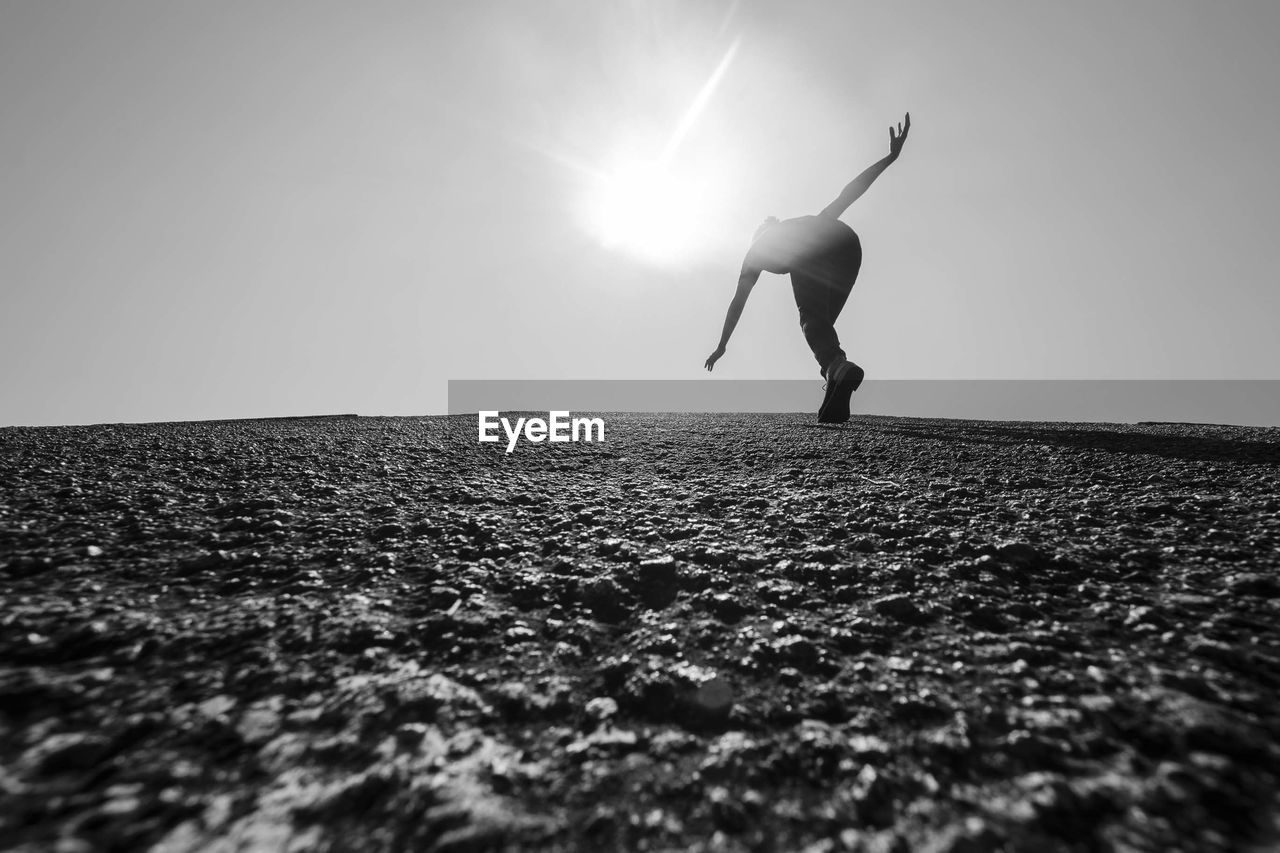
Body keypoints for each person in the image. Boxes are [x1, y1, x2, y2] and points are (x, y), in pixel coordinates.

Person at [704, 113, 910, 424]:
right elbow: (848, 194)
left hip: (819, 249)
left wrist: (722, 345)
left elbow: (737, 303)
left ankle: (836, 367)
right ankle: (834, 378)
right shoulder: (807, 222)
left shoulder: (755, 251)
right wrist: (890, 158)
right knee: (821, 323)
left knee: (811, 318)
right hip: (846, 246)